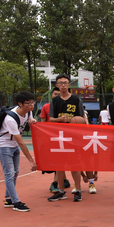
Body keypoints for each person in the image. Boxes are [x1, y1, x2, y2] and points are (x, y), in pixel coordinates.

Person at [0, 91, 37, 211]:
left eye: (33, 102)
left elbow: (30, 117)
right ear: (20, 104)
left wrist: (32, 119)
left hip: (13, 145)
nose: (32, 105)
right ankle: (16, 202)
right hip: (4, 146)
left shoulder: (28, 111)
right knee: (9, 173)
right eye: (28, 103)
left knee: (15, 172)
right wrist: (31, 161)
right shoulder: (10, 119)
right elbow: (21, 142)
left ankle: (8, 198)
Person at [47, 74, 87, 202]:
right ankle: (61, 191)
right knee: (59, 165)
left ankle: (78, 190)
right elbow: (51, 119)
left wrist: (78, 125)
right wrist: (59, 119)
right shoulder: (54, 101)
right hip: (59, 136)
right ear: (57, 85)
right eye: (60, 83)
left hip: (73, 136)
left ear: (69, 85)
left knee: (75, 164)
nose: (63, 85)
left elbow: (81, 117)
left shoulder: (76, 99)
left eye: (65, 83)